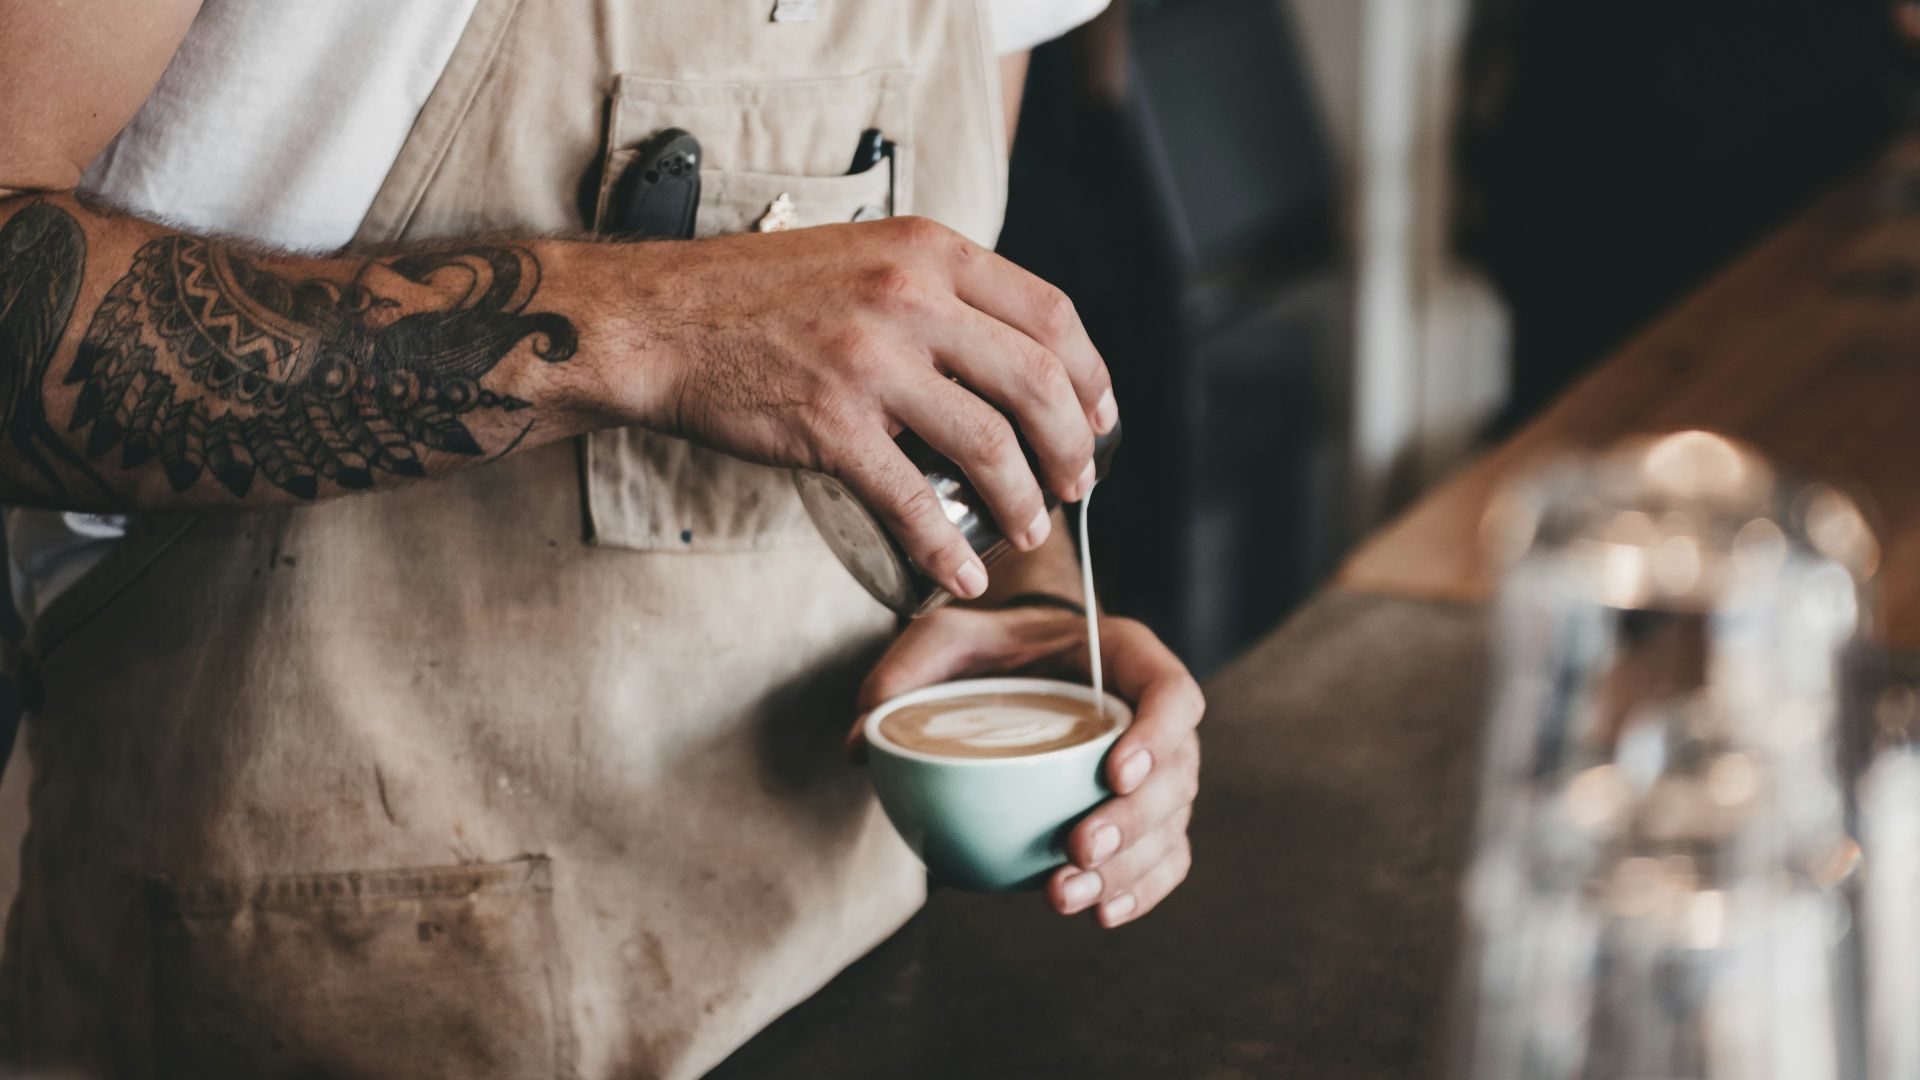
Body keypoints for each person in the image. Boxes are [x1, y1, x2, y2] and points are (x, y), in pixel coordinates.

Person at [0, 0, 1204, 1075]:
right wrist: (663, 324)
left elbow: (914, 371)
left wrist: (1013, 609)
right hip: (312, 990)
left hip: (838, 981)